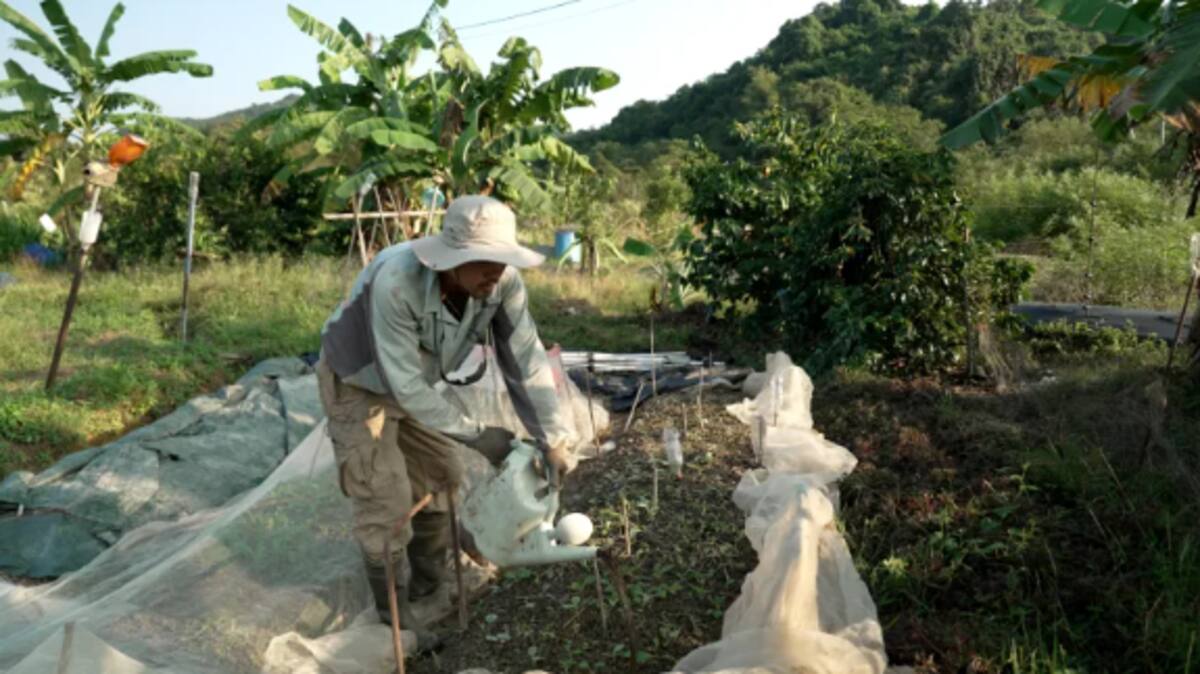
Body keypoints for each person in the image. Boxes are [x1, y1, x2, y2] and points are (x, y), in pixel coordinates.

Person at [315, 195, 574, 648]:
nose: (495, 272)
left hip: (417, 385)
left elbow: (526, 359)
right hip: (360, 384)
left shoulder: (502, 283)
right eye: (484, 262)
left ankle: (429, 586)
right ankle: (394, 616)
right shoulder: (398, 282)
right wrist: (479, 436)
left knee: (443, 476)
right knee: (385, 500)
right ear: (451, 260)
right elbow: (403, 385)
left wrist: (552, 438)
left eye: (502, 260)